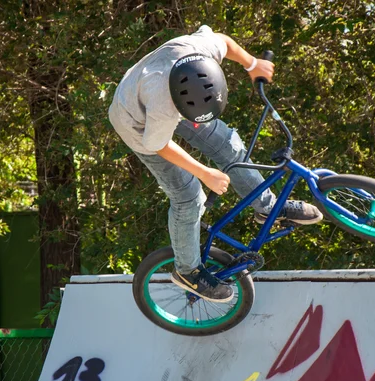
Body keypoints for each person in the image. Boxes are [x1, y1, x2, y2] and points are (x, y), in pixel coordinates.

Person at [109, 26, 322, 303]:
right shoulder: (162, 103)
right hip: (136, 122)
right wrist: (205, 173)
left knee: (228, 145)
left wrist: (253, 63)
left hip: (170, 95)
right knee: (188, 195)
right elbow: (158, 145)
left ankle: (268, 207)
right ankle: (188, 272)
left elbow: (224, 41)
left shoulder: (201, 51)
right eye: (192, 118)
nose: (196, 124)